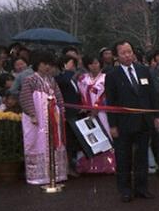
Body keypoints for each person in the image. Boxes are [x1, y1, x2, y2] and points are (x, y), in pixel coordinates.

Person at [105, 41, 159, 202]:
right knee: (123, 158)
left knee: (142, 157)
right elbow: (111, 102)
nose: (127, 55)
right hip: (123, 124)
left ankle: (141, 188)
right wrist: (113, 125)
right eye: (123, 53)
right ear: (117, 56)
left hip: (144, 121)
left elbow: (152, 95)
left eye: (129, 52)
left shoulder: (143, 70)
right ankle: (125, 190)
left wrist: (156, 116)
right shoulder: (112, 75)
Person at [19, 50, 68, 185]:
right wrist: (32, 114)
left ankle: (55, 174)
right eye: (44, 64)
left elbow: (59, 97)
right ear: (37, 64)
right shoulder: (30, 80)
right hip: (37, 118)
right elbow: (25, 98)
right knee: (37, 143)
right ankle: (39, 176)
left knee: (54, 142)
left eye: (49, 64)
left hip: (52, 118)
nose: (47, 67)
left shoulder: (51, 80)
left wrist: (62, 112)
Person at [75, 54, 116, 174]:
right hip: (87, 112)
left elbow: (108, 95)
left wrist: (98, 107)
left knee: (105, 134)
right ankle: (90, 166)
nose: (94, 66)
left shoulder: (106, 78)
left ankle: (108, 165)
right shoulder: (82, 79)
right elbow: (80, 94)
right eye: (91, 63)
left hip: (103, 112)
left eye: (96, 63)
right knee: (90, 136)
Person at [54, 53, 82, 177]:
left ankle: (74, 165)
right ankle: (68, 167)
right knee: (68, 141)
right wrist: (66, 70)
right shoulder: (60, 78)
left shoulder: (73, 80)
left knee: (74, 142)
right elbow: (63, 81)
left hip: (76, 113)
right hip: (67, 114)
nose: (73, 66)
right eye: (71, 63)